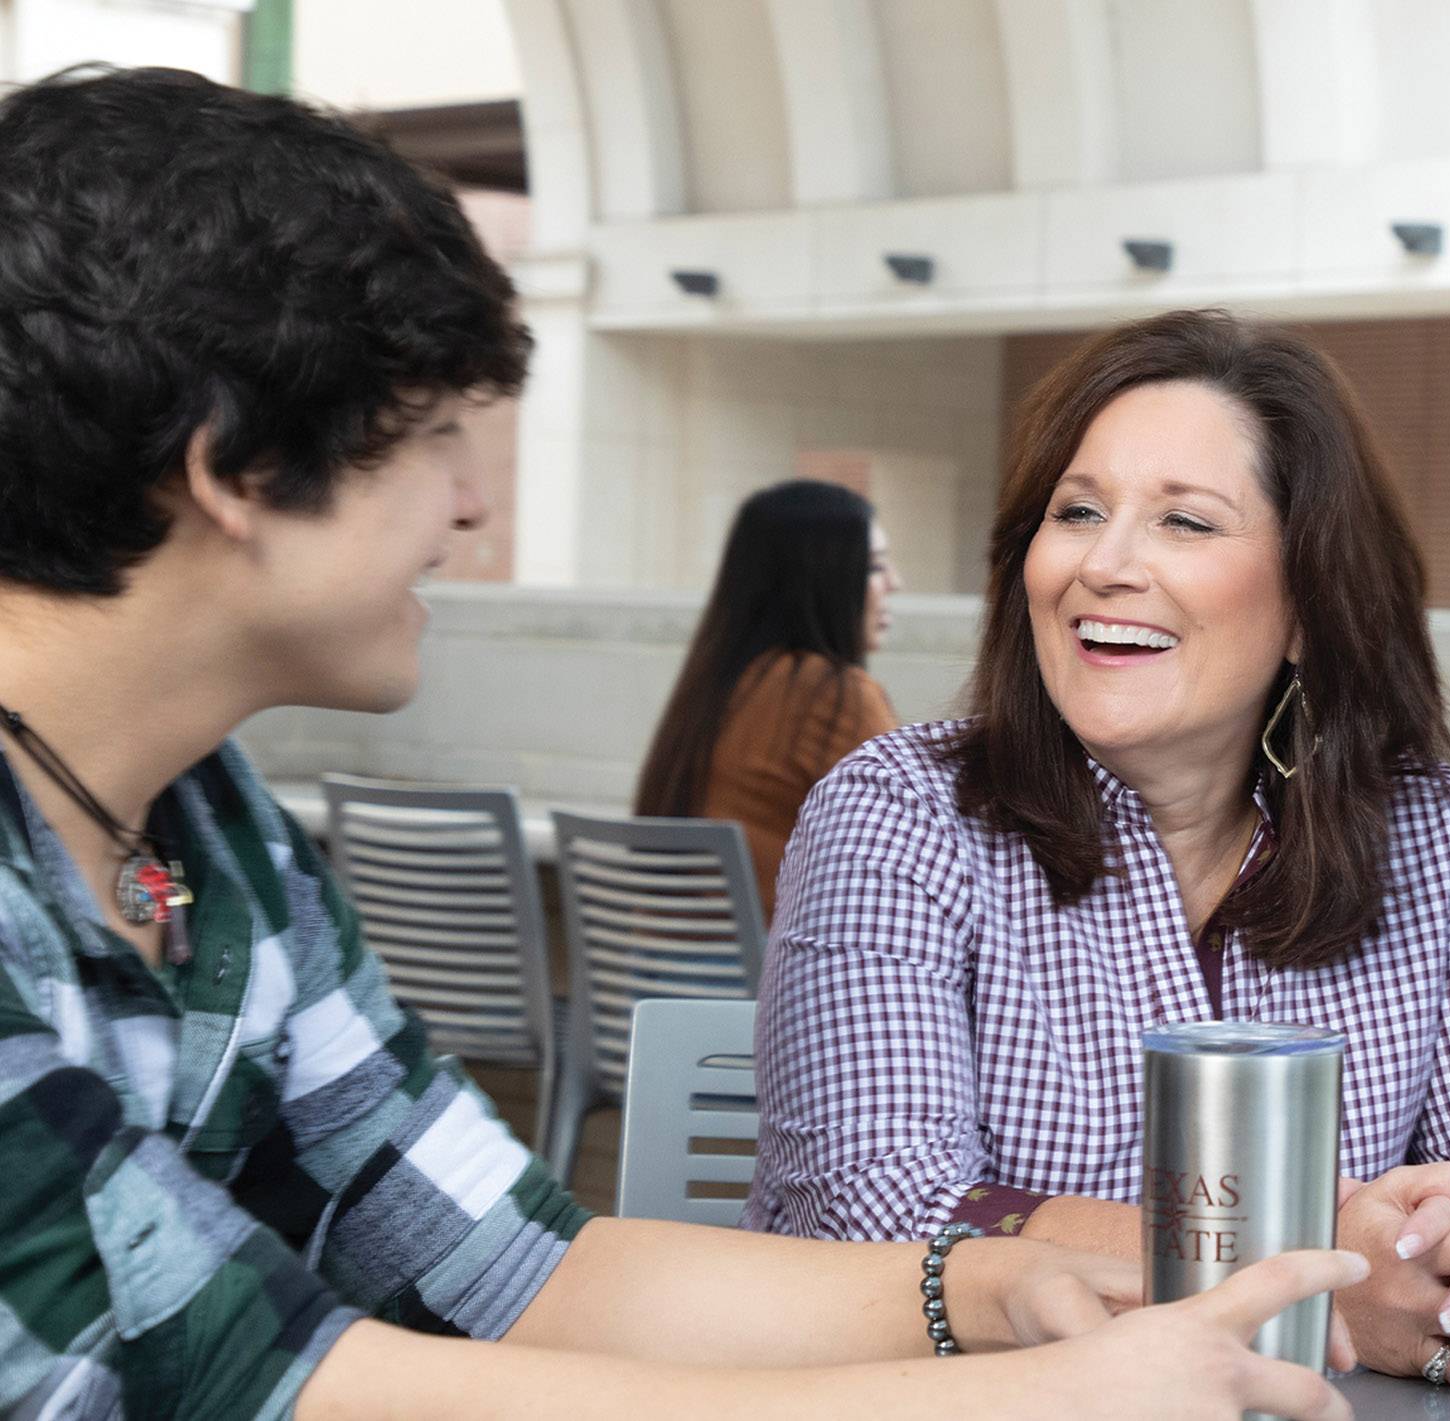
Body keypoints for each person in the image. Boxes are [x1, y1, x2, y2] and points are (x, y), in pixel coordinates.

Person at [0, 67, 1363, 1421]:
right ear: (230, 467)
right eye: (432, 438)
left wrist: (986, 1293)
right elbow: (252, 1380)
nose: (472, 506)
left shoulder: (211, 833)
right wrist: (1023, 1398)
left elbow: (512, 1261)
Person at [746, 309, 1450, 1389]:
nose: (1106, 562)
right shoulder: (900, 811)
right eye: (1076, 511)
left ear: (1308, 605)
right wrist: (1309, 1275)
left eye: (1185, 522)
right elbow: (879, 1210)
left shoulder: (1419, 835)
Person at [635, 479, 902, 916]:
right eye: (874, 567)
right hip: (761, 978)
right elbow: (913, 847)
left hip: (657, 967)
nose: (895, 582)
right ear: (821, 577)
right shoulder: (833, 694)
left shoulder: (720, 686)